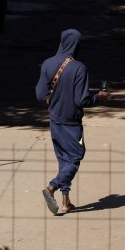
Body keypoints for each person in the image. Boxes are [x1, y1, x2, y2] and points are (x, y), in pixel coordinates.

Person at [35, 29, 110, 215]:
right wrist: (99, 97)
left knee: (64, 159)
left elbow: (39, 95)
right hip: (71, 122)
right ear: (77, 45)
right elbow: (81, 100)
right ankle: (52, 187)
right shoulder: (79, 68)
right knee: (76, 156)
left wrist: (54, 101)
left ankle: (66, 202)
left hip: (54, 120)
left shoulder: (47, 64)